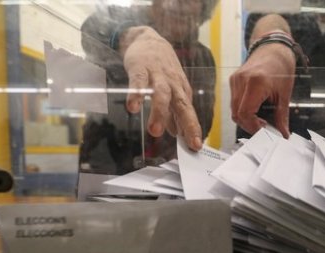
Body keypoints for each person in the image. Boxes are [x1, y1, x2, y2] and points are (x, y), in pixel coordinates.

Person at [78, 0, 312, 175]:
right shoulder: (124, 19)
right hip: (107, 164)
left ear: (203, 8)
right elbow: (92, 26)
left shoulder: (203, 57)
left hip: (169, 174)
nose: (180, 3)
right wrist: (132, 37)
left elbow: (201, 124)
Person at [234, 0, 325, 150]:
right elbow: (269, 26)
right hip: (265, 135)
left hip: (318, 144)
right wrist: (275, 42)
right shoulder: (273, 8)